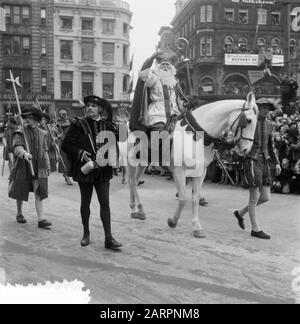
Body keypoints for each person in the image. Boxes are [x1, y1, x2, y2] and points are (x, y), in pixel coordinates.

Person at [61, 95, 122, 251]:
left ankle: (108, 238)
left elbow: (114, 145)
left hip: (103, 170)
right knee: (85, 202)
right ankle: (86, 234)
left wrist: (114, 161)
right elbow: (66, 145)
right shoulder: (78, 125)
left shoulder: (108, 125)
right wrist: (80, 152)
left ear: (100, 109)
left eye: (93, 106)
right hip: (85, 169)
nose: (89, 108)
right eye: (88, 105)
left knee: (105, 203)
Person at [234, 98, 281, 240]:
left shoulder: (269, 124)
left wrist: (277, 163)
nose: (266, 110)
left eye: (268, 108)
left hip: (265, 162)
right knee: (254, 197)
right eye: (263, 108)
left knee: (265, 197)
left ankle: (240, 213)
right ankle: (255, 229)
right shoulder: (250, 121)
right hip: (252, 160)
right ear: (258, 108)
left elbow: (271, 146)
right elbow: (241, 138)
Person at [8, 106, 52, 229]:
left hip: (39, 166)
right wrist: (24, 153)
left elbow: (45, 151)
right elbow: (17, 147)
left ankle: (41, 219)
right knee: (20, 190)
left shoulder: (43, 134)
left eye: (31, 118)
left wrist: (47, 166)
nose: (28, 120)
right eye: (26, 118)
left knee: (39, 191)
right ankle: (19, 213)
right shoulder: (20, 131)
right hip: (23, 165)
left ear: (37, 119)